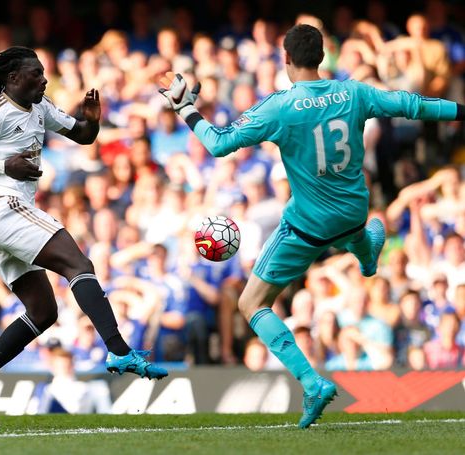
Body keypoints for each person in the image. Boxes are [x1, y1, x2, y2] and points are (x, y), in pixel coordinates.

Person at [160, 24, 464, 429]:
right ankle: (367, 250)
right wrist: (459, 110)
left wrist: (185, 109)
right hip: (355, 211)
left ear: (286, 60)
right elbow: (410, 104)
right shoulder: (354, 92)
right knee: (357, 230)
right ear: (322, 57)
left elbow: (218, 143)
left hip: (309, 226)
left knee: (251, 303)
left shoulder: (281, 106)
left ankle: (312, 382)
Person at [0, 46, 167, 428]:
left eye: (44, 73)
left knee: (44, 312)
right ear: (13, 78)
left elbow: (81, 135)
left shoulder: (39, 106)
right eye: (36, 74)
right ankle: (118, 350)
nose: (44, 80)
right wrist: (2, 164)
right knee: (79, 264)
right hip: (1, 205)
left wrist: (92, 122)